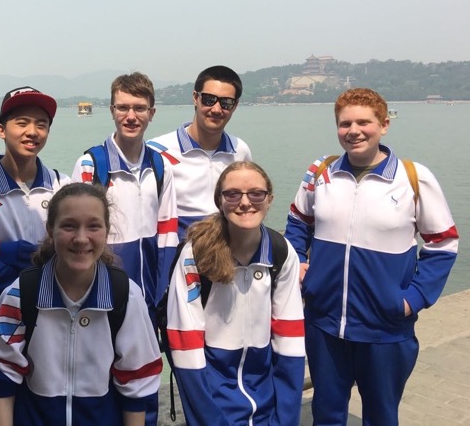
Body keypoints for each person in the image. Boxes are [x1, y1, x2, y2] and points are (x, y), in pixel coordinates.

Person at [285, 88, 459, 425]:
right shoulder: (321, 173)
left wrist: (413, 298)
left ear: (384, 125)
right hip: (324, 322)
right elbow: (297, 222)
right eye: (345, 123)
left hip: (386, 327)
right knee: (326, 411)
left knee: (381, 414)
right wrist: (299, 265)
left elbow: (442, 244)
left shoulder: (414, 179)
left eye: (364, 122)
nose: (354, 131)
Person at [0, 182, 163, 426]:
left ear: (106, 230)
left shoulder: (125, 296)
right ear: (50, 229)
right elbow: (3, 383)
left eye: (93, 226)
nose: (81, 238)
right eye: (69, 226)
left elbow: (136, 386)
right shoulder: (20, 294)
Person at [72, 72, 178, 426]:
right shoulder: (91, 165)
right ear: (112, 110)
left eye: (139, 108)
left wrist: (162, 294)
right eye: (123, 107)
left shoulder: (161, 166)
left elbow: (168, 234)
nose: (131, 116)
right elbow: (79, 237)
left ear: (152, 112)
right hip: (102, 296)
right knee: (98, 382)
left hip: (147, 299)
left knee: (143, 380)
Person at [165, 161, 305, 425]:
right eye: (233, 194)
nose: (244, 202)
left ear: (269, 199)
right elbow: (185, 344)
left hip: (266, 397)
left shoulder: (281, 252)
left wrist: (285, 417)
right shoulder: (196, 254)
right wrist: (208, 418)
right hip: (212, 397)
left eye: (256, 193)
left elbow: (290, 341)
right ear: (220, 200)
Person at [0, 86, 71, 316]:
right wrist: (46, 259)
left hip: (56, 319)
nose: (32, 132)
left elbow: (77, 256)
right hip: (0, 323)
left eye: (41, 125)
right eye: (22, 123)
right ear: (1, 130)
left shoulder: (63, 185)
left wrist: (8, 252)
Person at [148, 65, 252, 241]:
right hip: (175, 254)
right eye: (209, 99)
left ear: (235, 106)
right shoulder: (157, 150)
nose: (217, 109)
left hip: (226, 251)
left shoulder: (239, 151)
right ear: (195, 97)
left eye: (226, 103)